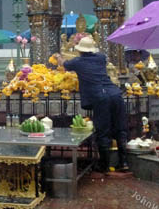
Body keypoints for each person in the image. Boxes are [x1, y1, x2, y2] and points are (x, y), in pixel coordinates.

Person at [54, 36, 129, 173]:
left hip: (101, 97)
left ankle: (104, 165)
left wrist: (59, 56)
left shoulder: (77, 62)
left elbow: (64, 64)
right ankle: (124, 162)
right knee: (120, 128)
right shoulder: (101, 58)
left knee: (103, 131)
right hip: (115, 94)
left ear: (80, 50)